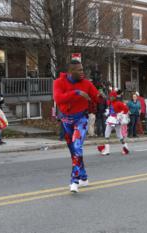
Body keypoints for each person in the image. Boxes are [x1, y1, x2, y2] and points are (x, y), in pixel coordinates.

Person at [53, 60, 100, 193]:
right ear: (70, 72)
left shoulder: (87, 83)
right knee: (74, 151)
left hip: (81, 119)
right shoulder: (58, 82)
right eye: (79, 70)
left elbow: (96, 98)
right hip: (66, 121)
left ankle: (74, 180)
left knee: (77, 146)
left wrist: (99, 96)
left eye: (82, 69)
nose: (82, 72)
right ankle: (84, 177)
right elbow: (59, 98)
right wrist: (77, 92)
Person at [97, 90, 129, 156]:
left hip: (115, 120)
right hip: (111, 119)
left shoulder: (119, 103)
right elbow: (110, 110)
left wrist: (120, 114)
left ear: (114, 97)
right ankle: (124, 147)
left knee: (114, 134)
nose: (110, 97)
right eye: (110, 96)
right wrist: (107, 112)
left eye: (112, 96)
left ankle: (109, 150)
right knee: (111, 134)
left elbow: (126, 109)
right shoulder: (110, 102)